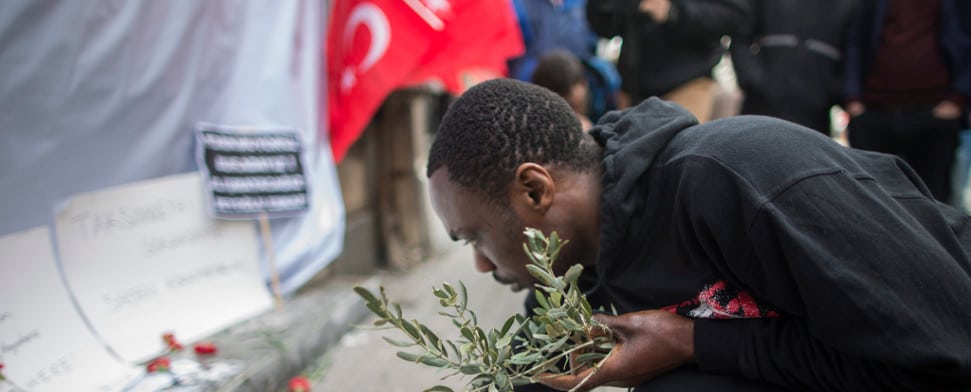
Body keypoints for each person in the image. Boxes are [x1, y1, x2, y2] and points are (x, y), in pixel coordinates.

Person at [426, 78, 971, 391]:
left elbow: (938, 357)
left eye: (473, 236)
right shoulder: (580, 272)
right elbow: (528, 371)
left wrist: (693, 342)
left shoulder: (742, 177)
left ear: (535, 191)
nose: (478, 263)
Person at [843, 0, 971, 203]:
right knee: (871, 201)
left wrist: (958, 99)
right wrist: (853, 99)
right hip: (875, 113)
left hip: (933, 113)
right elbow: (857, 42)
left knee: (935, 203)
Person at [586, 0, 746, 122]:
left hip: (689, 83)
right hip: (634, 87)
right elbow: (599, 19)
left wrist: (673, 11)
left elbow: (731, 16)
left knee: (681, 155)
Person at [730, 0, 858, 136]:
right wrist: (754, 80)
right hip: (759, 107)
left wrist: (832, 92)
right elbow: (740, 36)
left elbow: (857, 51)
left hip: (814, 118)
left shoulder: (850, 5)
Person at [508, 0, 620, 122]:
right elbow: (515, 56)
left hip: (577, 74)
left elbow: (594, 41)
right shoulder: (519, 5)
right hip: (539, 81)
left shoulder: (581, 4)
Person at [531, 49, 594, 130]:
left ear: (583, 83)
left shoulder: (604, 79)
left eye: (573, 106)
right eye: (560, 112)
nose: (573, 116)